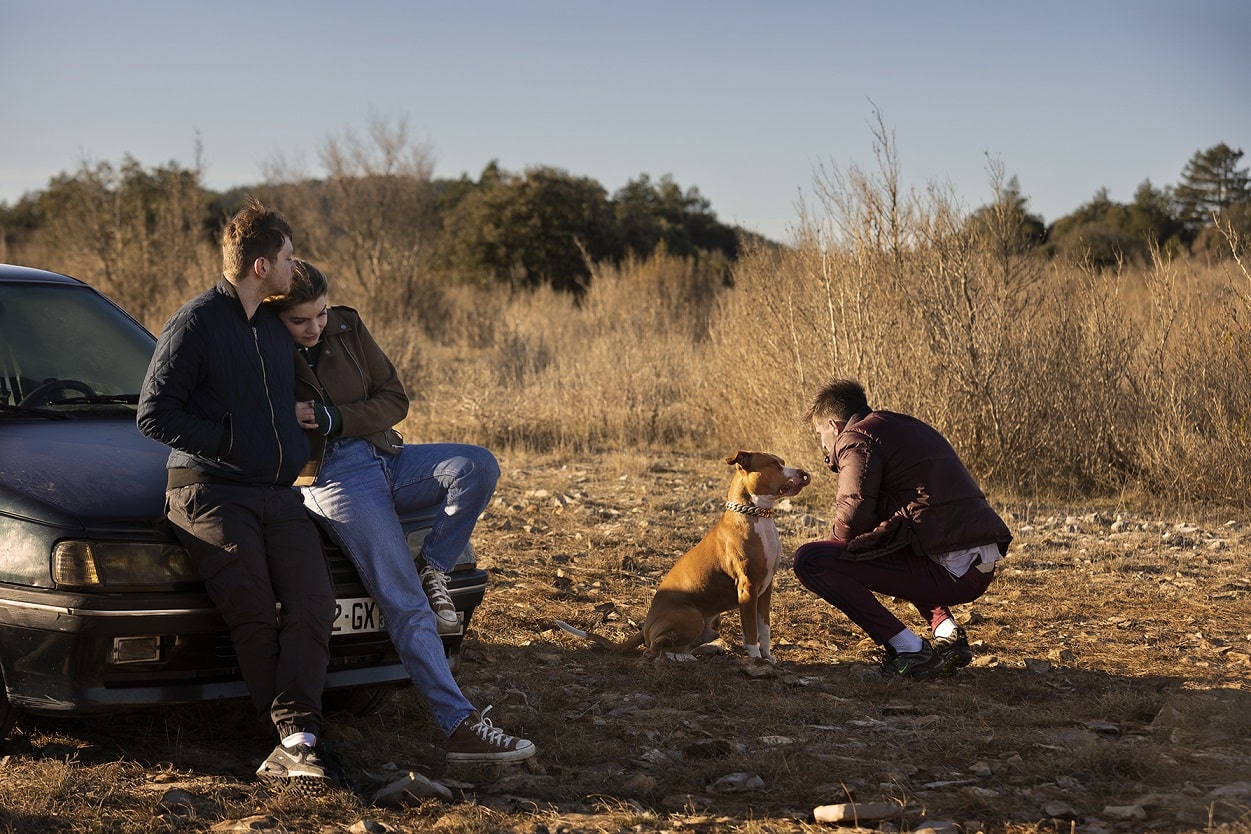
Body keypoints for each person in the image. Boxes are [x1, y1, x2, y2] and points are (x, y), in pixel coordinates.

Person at [263, 260, 535, 764]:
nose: (315, 326)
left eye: (319, 314)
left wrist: (336, 417)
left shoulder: (347, 325)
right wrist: (291, 419)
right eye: (301, 320)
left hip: (385, 455)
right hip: (332, 477)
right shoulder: (259, 343)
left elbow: (395, 397)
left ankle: (434, 567)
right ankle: (460, 727)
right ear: (276, 315)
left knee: (476, 465)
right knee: (404, 603)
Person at [137, 198, 342, 793]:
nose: (293, 264)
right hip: (209, 491)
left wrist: (295, 418)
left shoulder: (275, 330)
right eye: (287, 256)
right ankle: (296, 739)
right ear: (260, 266)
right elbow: (154, 413)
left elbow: (276, 393)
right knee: (253, 610)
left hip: (276, 493)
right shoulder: (197, 321)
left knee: (311, 603)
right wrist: (230, 439)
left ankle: (295, 739)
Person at [792, 378, 1012, 680]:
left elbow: (852, 514)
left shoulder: (855, 438)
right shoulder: (900, 425)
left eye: (820, 434)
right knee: (890, 539)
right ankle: (946, 631)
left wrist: (835, 556)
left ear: (833, 425)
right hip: (975, 562)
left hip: (951, 572)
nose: (823, 445)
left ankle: (907, 648)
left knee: (810, 560)